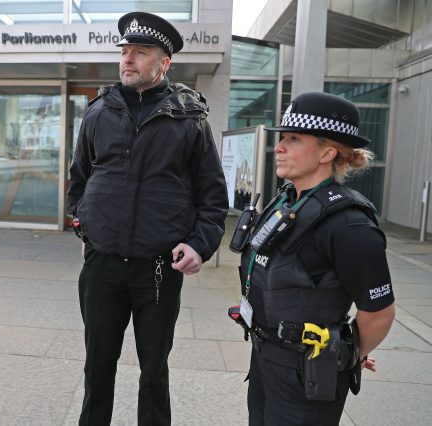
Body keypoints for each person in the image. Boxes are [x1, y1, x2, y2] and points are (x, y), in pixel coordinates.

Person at [67, 12, 229, 425]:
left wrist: (199, 245)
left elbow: (213, 198)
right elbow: (79, 180)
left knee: (154, 370)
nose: (128, 60)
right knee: (97, 366)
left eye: (141, 52)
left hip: (158, 269)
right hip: (102, 266)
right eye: (125, 51)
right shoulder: (98, 112)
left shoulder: (189, 119)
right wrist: (84, 224)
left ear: (164, 63)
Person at [230, 91, 395, 425]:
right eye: (282, 138)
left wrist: (348, 353)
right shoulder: (288, 201)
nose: (279, 147)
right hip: (265, 362)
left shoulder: (349, 224)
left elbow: (378, 312)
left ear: (327, 152)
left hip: (308, 377)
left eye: (293, 138)